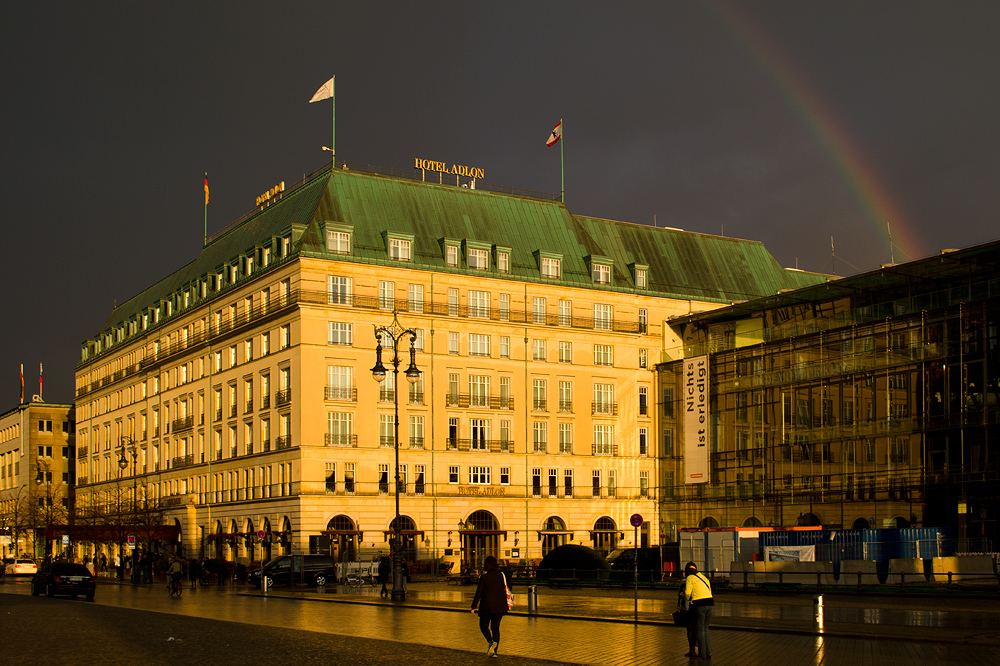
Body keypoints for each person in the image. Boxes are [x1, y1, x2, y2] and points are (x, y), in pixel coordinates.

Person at [471, 555, 509, 658]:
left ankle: (490, 641)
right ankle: (495, 652)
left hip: (487, 606)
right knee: (495, 628)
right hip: (500, 606)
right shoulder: (501, 575)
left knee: (483, 625)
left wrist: (473, 607)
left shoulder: (484, 577)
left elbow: (479, 593)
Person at [683, 562, 713, 660]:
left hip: (699, 604)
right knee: (706, 629)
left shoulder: (690, 578)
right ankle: (709, 652)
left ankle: (702, 653)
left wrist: (685, 596)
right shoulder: (704, 577)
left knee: (699, 630)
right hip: (710, 603)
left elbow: (687, 594)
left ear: (687, 571)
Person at [678, 569, 696, 657]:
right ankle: (694, 649)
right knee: (693, 629)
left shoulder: (684, 582)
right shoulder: (696, 580)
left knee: (690, 629)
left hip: (688, 607)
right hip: (692, 607)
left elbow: (681, 594)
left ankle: (692, 649)